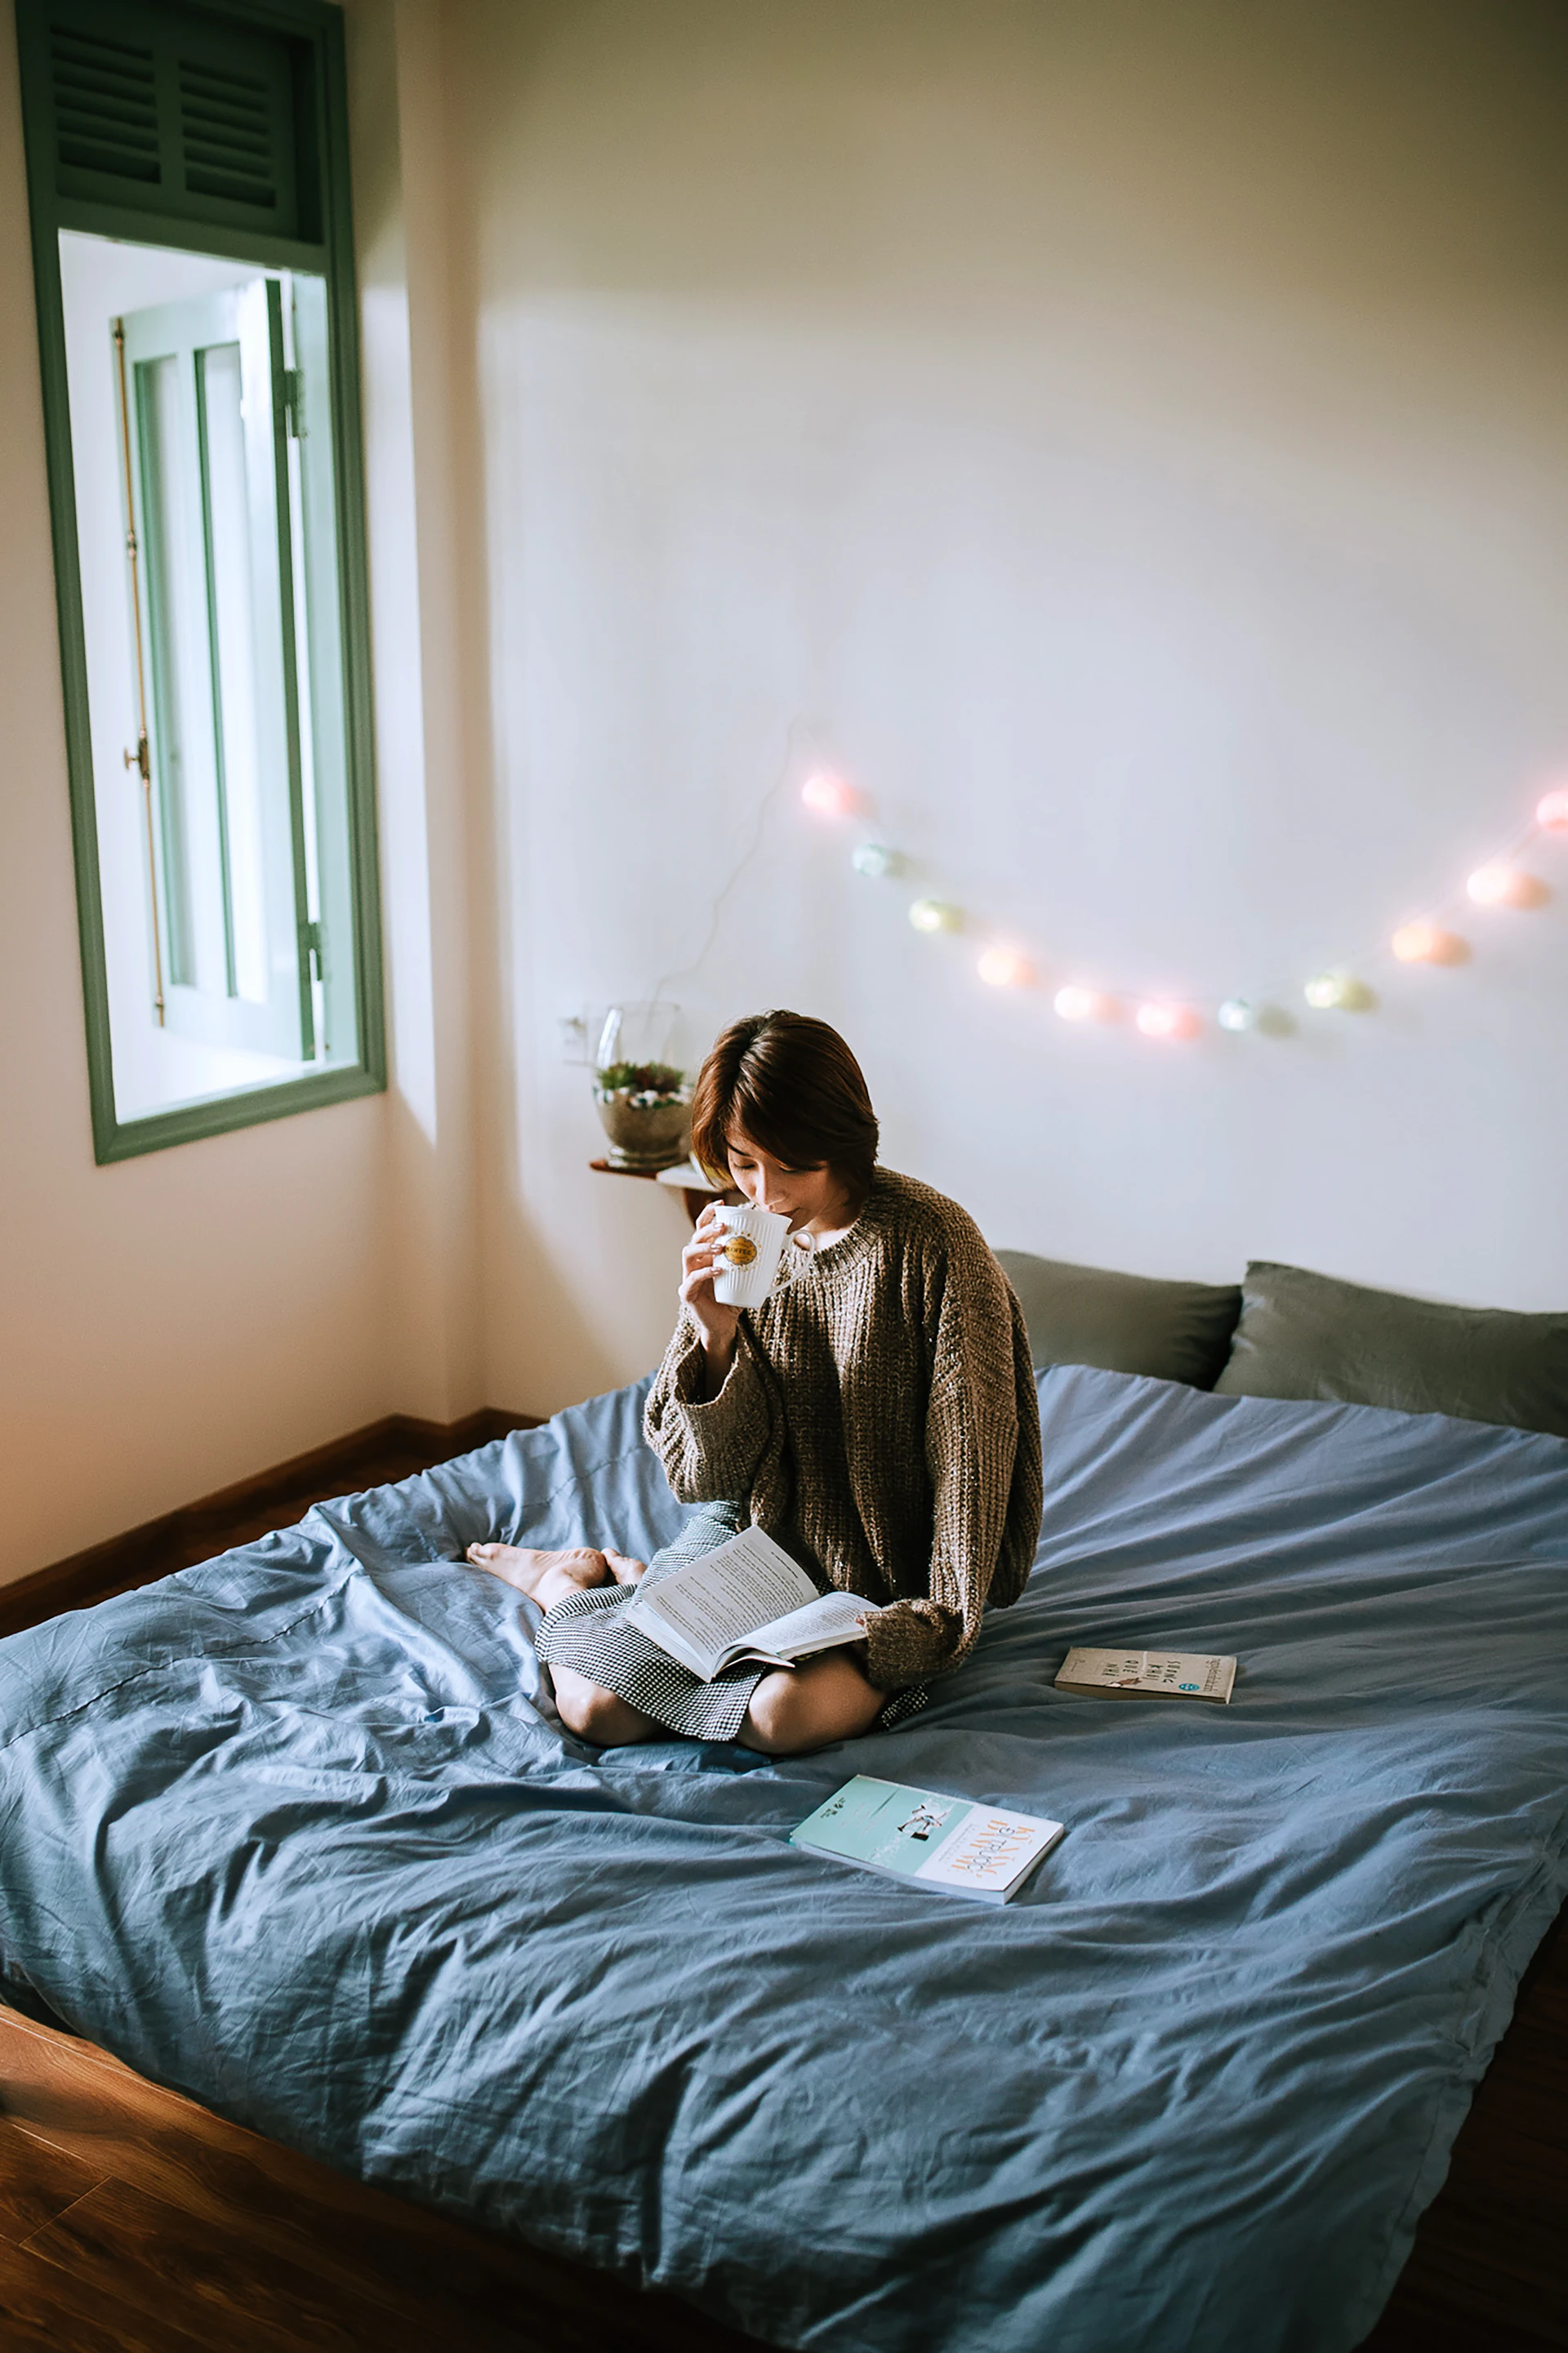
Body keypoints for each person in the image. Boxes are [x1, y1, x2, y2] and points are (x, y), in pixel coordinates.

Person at [467, 1009, 1043, 1755]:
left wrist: (937, 1621)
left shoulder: (934, 1244)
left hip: (880, 1581)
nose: (764, 1194)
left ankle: (632, 1592)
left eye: (791, 1165)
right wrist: (712, 1332)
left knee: (782, 1717)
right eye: (743, 1163)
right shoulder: (739, 1236)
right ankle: (566, 1587)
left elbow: (971, 1463)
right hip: (751, 1542)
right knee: (597, 1708)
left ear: (843, 1141)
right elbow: (703, 1477)